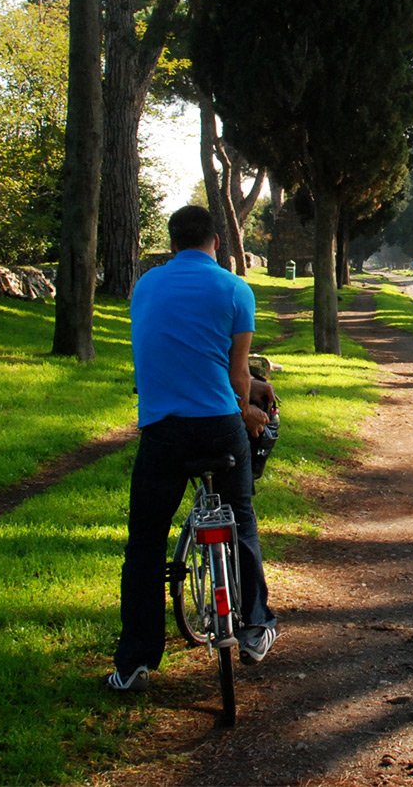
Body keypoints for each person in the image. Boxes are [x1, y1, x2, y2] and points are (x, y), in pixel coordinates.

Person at [107, 206, 278, 692]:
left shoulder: (146, 286)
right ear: (218, 242)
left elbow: (173, 349)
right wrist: (247, 408)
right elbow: (237, 373)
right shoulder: (234, 289)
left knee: (144, 543)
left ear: (172, 241)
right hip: (220, 429)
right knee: (240, 516)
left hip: (163, 430)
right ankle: (254, 627)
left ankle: (134, 662)